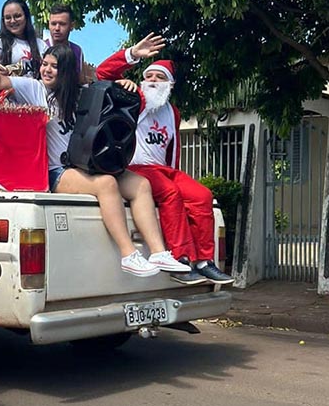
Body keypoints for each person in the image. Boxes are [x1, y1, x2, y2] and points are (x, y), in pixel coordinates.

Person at [0, 44, 190, 279]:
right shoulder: (34, 89)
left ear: (66, 70)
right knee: (107, 184)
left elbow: (105, 82)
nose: (46, 69)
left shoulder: (83, 94)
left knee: (141, 184)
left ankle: (158, 253)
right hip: (57, 171)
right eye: (45, 63)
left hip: (89, 165)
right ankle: (128, 255)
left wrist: (125, 84)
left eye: (54, 66)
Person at [96, 34, 234, 284]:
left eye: (159, 78)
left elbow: (173, 149)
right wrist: (132, 55)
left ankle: (204, 261)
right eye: (148, 76)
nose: (152, 81)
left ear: (170, 85)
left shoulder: (173, 112)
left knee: (202, 196)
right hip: (137, 168)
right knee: (169, 192)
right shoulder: (134, 99)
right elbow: (102, 74)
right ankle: (180, 260)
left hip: (165, 169)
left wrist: (177, 174)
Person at [0, 0, 47, 77]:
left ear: (26, 17)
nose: (13, 21)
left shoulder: (41, 45)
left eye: (17, 16)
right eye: (8, 18)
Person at [46, 3, 95, 85]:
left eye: (62, 24)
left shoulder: (77, 51)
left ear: (72, 26)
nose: (57, 28)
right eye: (53, 24)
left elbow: (81, 81)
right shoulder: (41, 48)